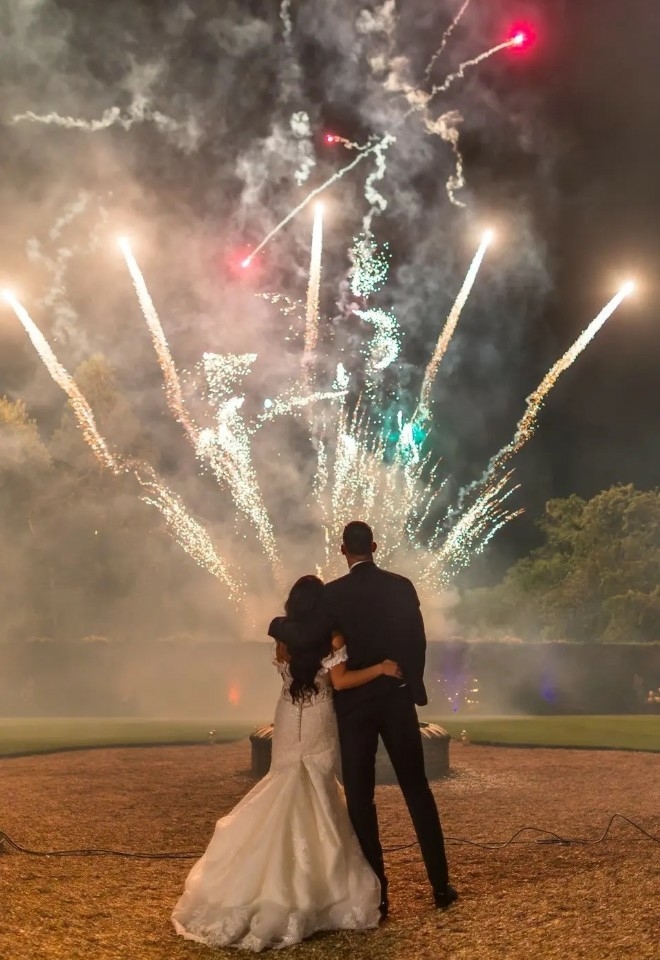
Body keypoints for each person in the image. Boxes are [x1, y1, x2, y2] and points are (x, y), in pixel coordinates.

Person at [172, 574, 403, 952]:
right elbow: (341, 683)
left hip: (287, 713)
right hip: (318, 718)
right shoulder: (333, 638)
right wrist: (380, 669)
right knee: (316, 786)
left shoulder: (283, 640)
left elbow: (287, 669)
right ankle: (316, 891)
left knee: (285, 780)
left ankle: (265, 880)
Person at [324, 520, 458, 916]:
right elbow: (417, 641)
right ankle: (439, 886)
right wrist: (411, 685)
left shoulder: (333, 595)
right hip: (396, 698)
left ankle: (378, 896)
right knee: (417, 790)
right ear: (375, 547)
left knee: (361, 800)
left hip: (354, 707)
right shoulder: (401, 586)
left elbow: (327, 648)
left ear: (342, 549)